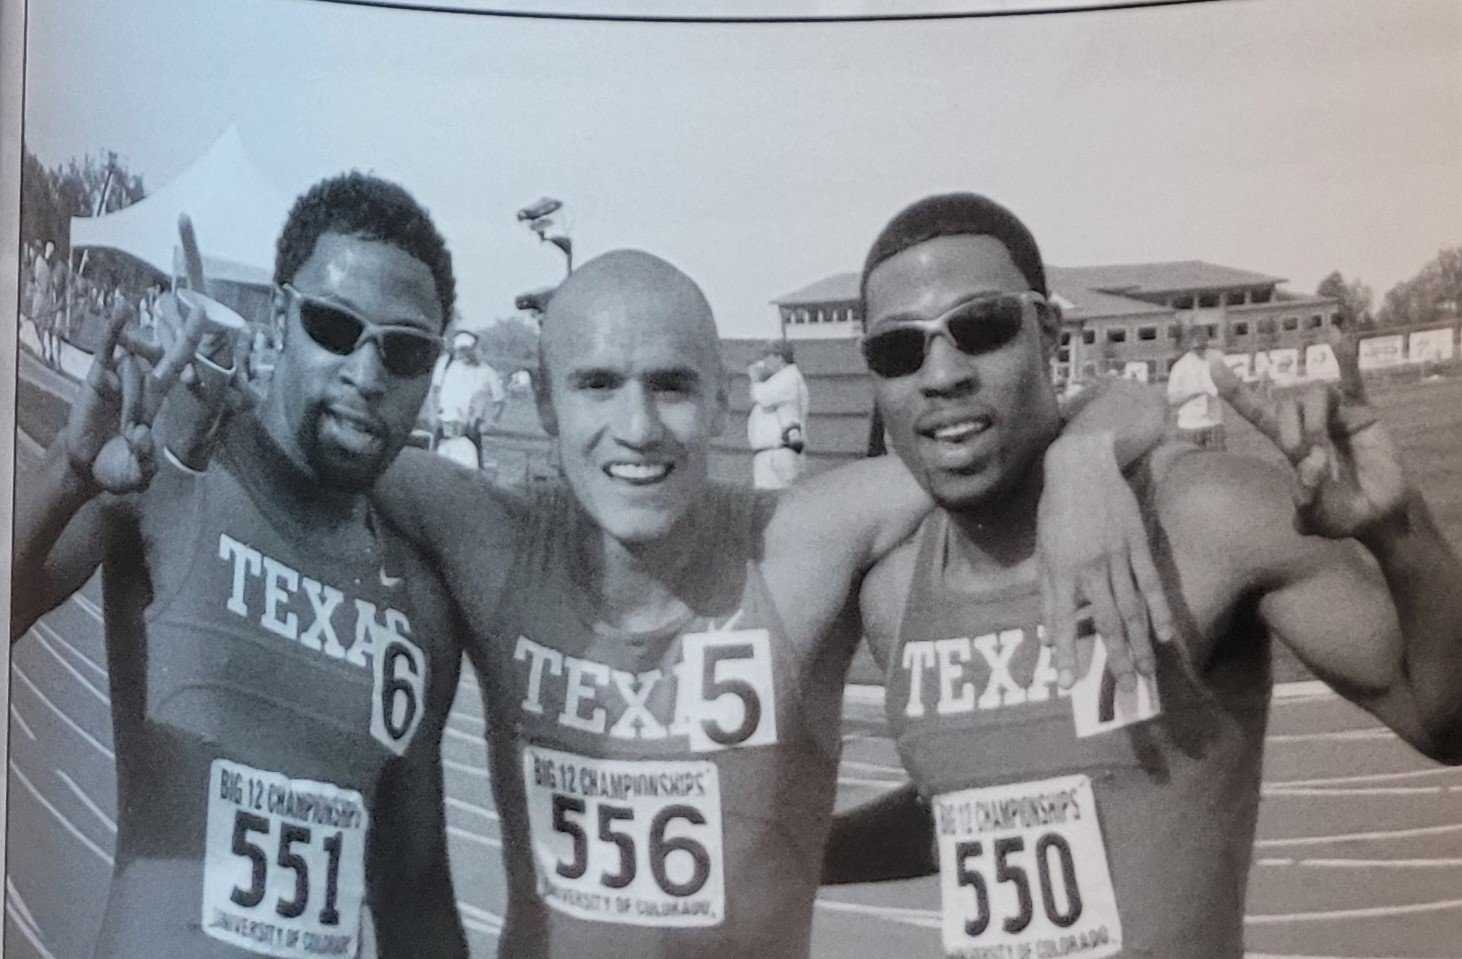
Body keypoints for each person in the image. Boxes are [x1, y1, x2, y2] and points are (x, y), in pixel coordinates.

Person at [372, 247, 1173, 959]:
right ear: (546, 406)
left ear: (723, 400)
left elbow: (1047, 425)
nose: (638, 426)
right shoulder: (494, 540)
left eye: (672, 386)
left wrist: (1084, 459)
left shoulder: (800, 543)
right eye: (597, 385)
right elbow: (307, 429)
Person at [825, 193, 1462, 959]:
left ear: (1049, 333)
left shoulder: (1204, 516)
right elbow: (971, 804)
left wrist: (1401, 532)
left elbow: (1443, 719)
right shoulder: (896, 593)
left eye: (981, 327)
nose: (943, 373)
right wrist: (793, 844)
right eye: (899, 351)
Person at [12, 173, 471, 959]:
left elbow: (415, 890)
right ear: (280, 317)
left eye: (403, 350)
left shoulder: (420, 598)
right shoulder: (170, 469)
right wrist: (68, 468)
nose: (367, 375)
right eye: (334, 326)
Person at [747, 340, 810, 489]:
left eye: (766, 357)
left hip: (779, 452)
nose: (764, 362)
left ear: (779, 357)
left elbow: (764, 398)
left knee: (775, 502)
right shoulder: (779, 380)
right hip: (772, 453)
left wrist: (756, 380)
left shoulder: (789, 377)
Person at [1165, 322, 1225, 449]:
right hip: (1190, 426)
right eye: (1196, 347)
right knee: (1191, 464)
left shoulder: (1217, 358)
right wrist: (1193, 394)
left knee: (1217, 464)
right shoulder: (1180, 366)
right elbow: (1171, 400)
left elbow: (1228, 385)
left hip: (1214, 424)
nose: (1201, 350)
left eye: (1203, 345)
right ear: (1189, 345)